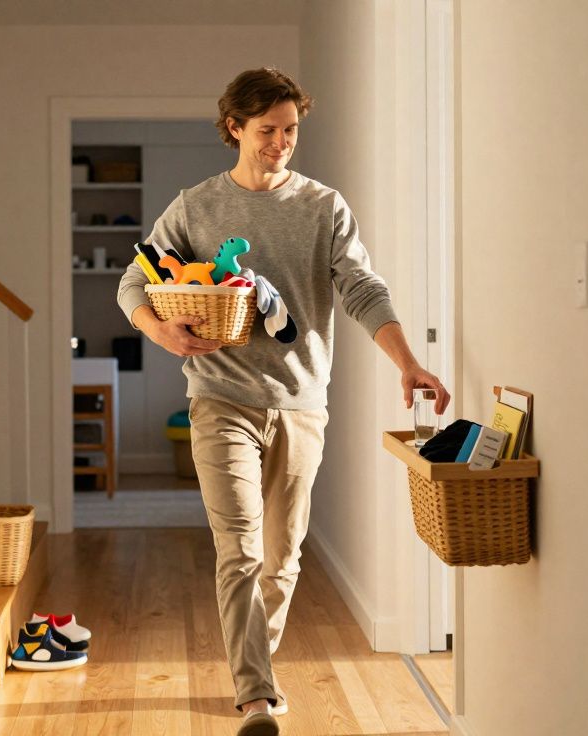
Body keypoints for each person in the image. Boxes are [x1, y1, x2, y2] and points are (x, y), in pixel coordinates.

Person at [116, 67, 451, 736]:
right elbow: (135, 281)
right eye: (266, 130)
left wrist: (408, 362)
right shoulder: (196, 207)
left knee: (283, 555)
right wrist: (162, 330)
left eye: (291, 130)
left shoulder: (323, 207)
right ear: (234, 127)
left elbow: (363, 289)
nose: (280, 143)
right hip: (220, 400)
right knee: (237, 547)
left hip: (301, 402)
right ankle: (255, 697)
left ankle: (256, 666)